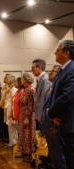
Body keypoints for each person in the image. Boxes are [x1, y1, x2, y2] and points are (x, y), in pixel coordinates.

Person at [47, 40, 74, 169]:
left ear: (67, 53)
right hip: (62, 124)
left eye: (58, 50)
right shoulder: (63, 70)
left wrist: (50, 112)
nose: (55, 52)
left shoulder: (72, 69)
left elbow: (67, 97)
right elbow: (54, 95)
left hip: (70, 125)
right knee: (67, 157)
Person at [42, 65, 66, 169]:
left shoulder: (60, 90)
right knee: (53, 153)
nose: (50, 72)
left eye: (53, 71)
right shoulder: (50, 88)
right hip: (48, 126)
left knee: (59, 154)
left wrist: (55, 127)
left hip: (54, 126)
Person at [18, 72, 35, 163]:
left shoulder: (31, 90)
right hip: (23, 115)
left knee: (28, 135)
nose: (21, 80)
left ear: (26, 79)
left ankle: (29, 153)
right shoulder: (25, 89)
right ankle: (24, 151)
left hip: (27, 116)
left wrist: (27, 117)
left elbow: (31, 105)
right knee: (23, 134)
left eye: (22, 78)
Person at [32, 59, 51, 130]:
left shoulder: (45, 79)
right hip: (39, 114)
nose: (31, 70)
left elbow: (43, 99)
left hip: (42, 115)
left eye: (33, 68)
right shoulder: (40, 79)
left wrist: (40, 115)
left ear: (39, 67)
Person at [3, 75, 17, 146]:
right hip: (7, 107)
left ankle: (14, 142)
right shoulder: (8, 88)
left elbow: (14, 100)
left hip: (11, 108)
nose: (6, 81)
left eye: (8, 79)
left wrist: (12, 112)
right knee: (9, 125)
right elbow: (3, 97)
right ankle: (11, 141)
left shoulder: (14, 88)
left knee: (12, 126)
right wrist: (5, 92)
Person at [0, 73, 12, 142]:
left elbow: (5, 98)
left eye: (5, 78)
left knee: (6, 123)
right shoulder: (5, 86)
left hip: (6, 106)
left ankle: (7, 137)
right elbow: (1, 96)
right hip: (3, 105)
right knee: (3, 123)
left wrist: (1, 104)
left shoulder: (9, 87)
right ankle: (4, 136)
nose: (4, 79)